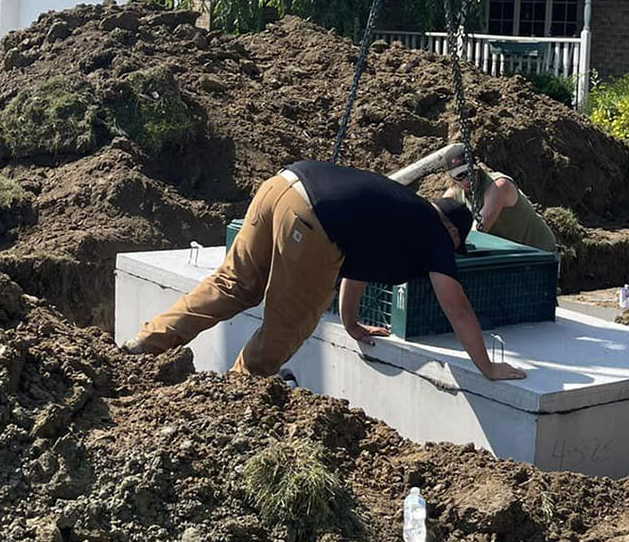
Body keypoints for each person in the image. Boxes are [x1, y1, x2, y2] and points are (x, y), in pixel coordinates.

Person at [123, 159, 530, 383]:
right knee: (290, 323)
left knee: (234, 285)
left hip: (281, 185)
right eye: (455, 246)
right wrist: (487, 367)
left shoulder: (400, 212)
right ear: (451, 231)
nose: (450, 254)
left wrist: (352, 325)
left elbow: (356, 269)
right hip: (314, 221)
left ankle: (147, 341)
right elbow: (455, 306)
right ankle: (237, 394)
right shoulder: (435, 234)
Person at [441, 152, 557, 253]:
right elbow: (436, 219)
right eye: (460, 176)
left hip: (539, 253)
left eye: (470, 172)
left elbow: (478, 231)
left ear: (478, 168)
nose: (467, 179)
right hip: (510, 254)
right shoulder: (455, 193)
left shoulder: (499, 187)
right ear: (451, 177)